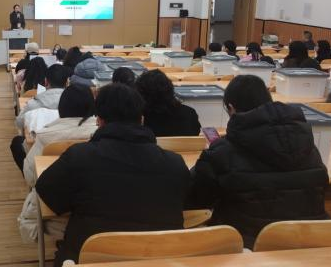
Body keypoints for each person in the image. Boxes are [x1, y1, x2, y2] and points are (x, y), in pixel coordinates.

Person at [36, 83, 190, 266]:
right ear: (141, 119)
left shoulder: (79, 156)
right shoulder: (176, 164)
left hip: (90, 258)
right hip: (163, 259)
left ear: (99, 121)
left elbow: (47, 192)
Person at [187, 75, 328, 248]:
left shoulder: (222, 153)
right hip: (310, 243)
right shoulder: (309, 147)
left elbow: (196, 199)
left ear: (231, 108)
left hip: (244, 246)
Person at [23, 84, 96, 186]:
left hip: (50, 191)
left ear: (61, 107)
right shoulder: (100, 134)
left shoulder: (46, 136)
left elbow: (30, 175)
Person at [11, 64, 70, 171]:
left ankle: (28, 171)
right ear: (67, 82)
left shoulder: (33, 104)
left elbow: (19, 123)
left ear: (46, 82)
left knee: (16, 142)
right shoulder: (73, 102)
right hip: (69, 151)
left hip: (39, 152)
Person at [136, 70, 201, 136]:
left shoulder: (139, 119)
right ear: (170, 88)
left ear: (141, 94)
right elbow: (196, 134)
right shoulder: (190, 113)